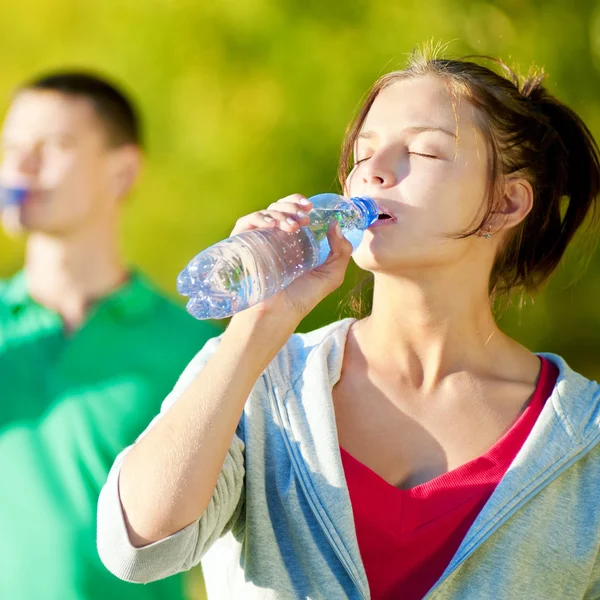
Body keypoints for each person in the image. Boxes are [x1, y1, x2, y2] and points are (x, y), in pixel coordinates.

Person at [97, 48, 600, 600]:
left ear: (506, 203)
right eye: (363, 154)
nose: (373, 171)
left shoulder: (585, 438)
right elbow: (138, 546)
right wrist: (256, 326)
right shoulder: (264, 380)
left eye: (423, 152)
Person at [0, 72, 220, 600]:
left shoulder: (200, 351)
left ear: (122, 172)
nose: (21, 165)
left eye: (53, 146)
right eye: (11, 147)